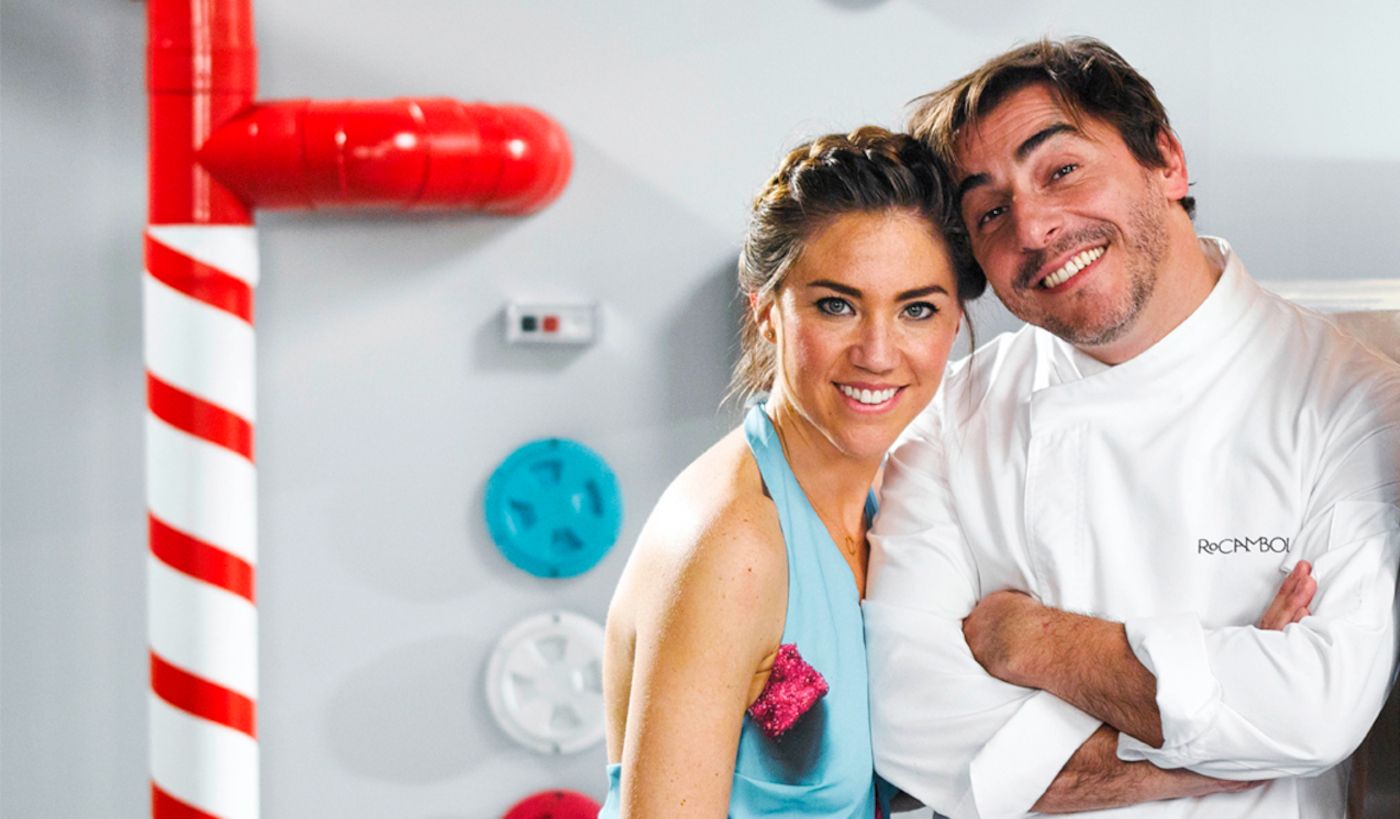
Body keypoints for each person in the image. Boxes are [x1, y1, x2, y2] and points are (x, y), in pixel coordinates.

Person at [864, 37, 1400, 818]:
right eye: (991, 212)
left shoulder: (1353, 402)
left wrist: (1028, 640)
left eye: (1061, 170)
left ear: (1167, 162)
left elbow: (1317, 709)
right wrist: (1213, 743)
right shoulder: (951, 414)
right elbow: (907, 717)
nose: (1033, 229)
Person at [598, 126, 984, 818]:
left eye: (916, 309)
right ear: (766, 311)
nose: (877, 352)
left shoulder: (897, 499)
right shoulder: (734, 544)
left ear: (954, 322)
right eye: (836, 305)